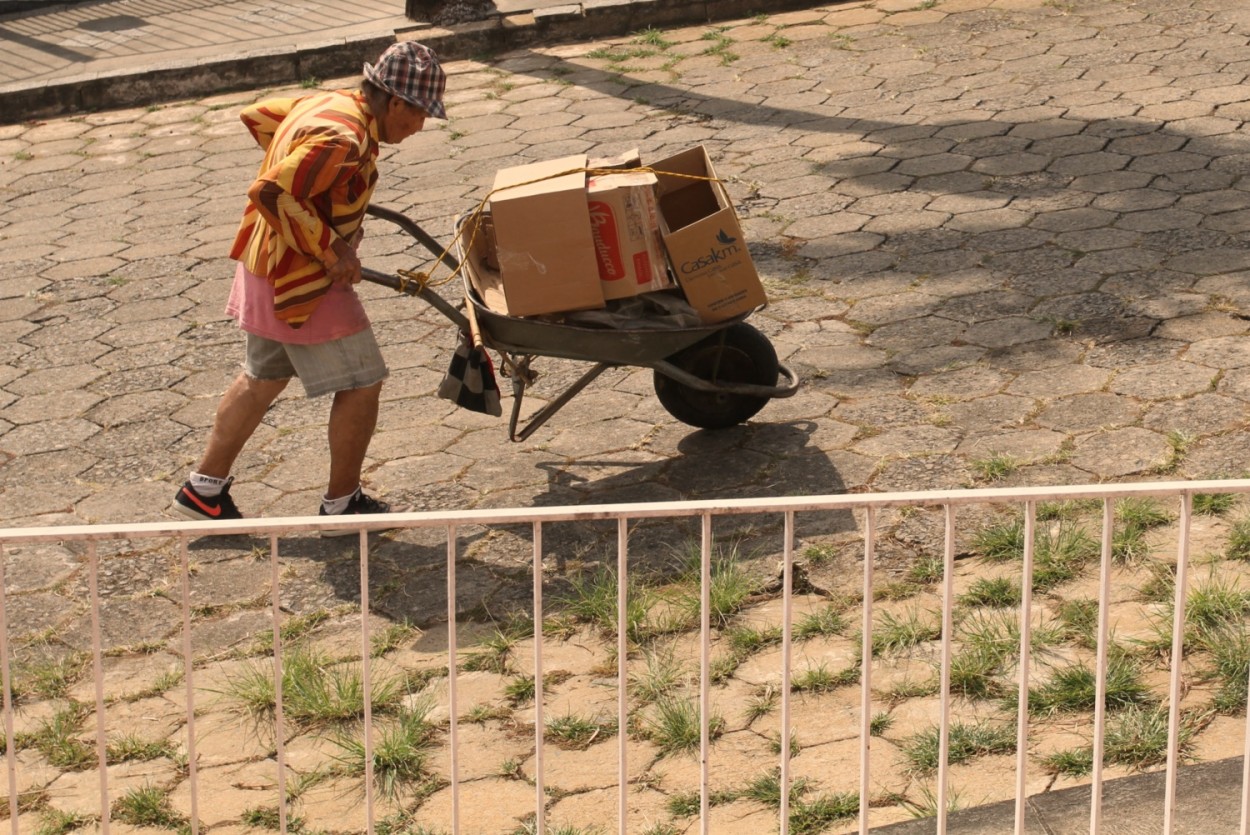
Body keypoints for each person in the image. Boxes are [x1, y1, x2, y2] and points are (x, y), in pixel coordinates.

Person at [171, 41, 447, 534]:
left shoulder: (328, 103)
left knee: (262, 377)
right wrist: (331, 248)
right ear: (396, 102)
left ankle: (202, 490)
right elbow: (270, 192)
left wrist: (325, 192)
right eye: (420, 114)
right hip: (296, 280)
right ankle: (344, 506)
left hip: (262, 266)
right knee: (363, 381)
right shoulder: (344, 138)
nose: (421, 125)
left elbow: (260, 117)